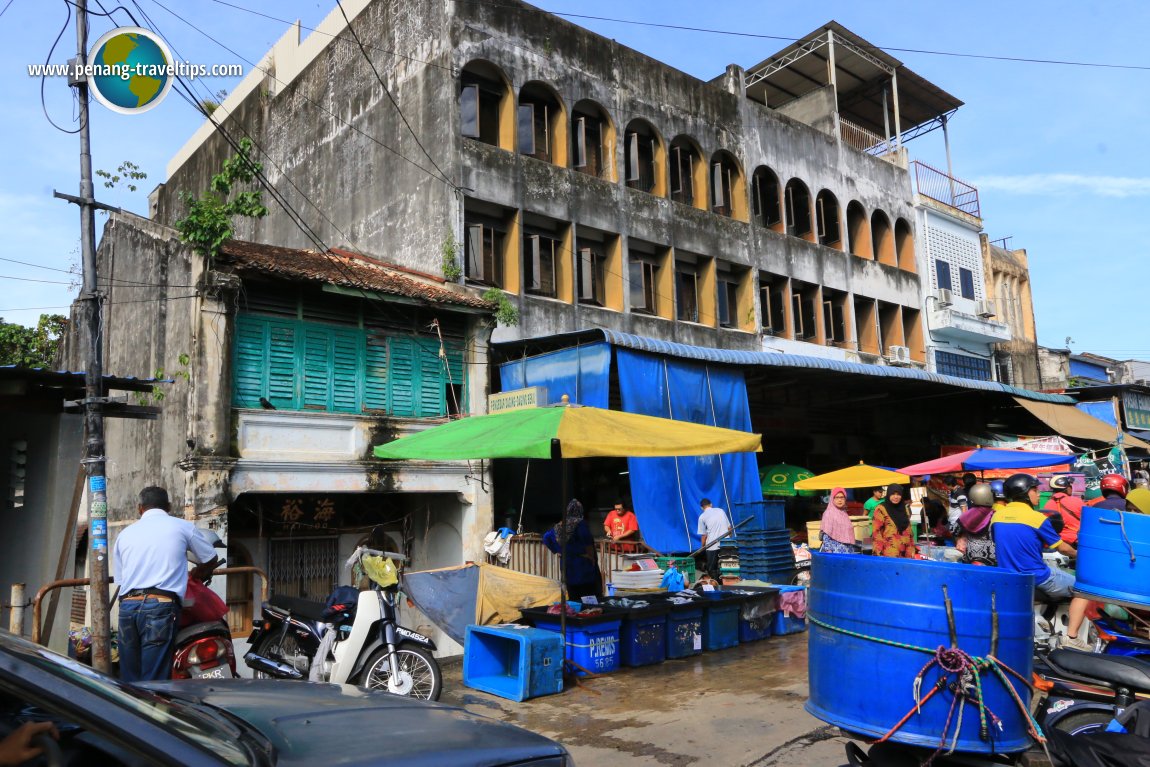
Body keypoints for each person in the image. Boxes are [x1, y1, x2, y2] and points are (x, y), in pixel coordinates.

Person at [114, 486, 218, 683]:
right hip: (160, 606)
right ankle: (152, 713)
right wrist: (197, 573)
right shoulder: (182, 526)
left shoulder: (125, 534)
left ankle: (129, 711)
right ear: (169, 506)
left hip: (127, 606)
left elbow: (120, 580)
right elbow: (210, 557)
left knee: (129, 674)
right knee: (154, 677)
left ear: (140, 508)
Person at [991, 473, 1091, 650]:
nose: (1038, 494)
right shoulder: (1037, 518)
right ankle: (1072, 638)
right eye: (1035, 490)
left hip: (1009, 578)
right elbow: (1062, 548)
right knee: (1084, 590)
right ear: (1024, 493)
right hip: (1038, 577)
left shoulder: (996, 517)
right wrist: (1080, 555)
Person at [542, 498, 602, 601]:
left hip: (566, 564)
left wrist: (557, 550)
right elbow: (587, 540)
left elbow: (546, 537)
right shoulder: (580, 524)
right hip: (582, 564)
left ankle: (575, 613)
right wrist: (591, 557)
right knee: (588, 595)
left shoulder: (559, 525)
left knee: (573, 594)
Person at [955, 482, 996, 565]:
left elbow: (954, 530)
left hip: (969, 557)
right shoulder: (995, 515)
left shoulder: (965, 515)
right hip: (991, 559)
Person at [872, 484, 917, 558]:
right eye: (893, 494)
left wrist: (912, 550)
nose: (896, 497)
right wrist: (878, 554)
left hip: (907, 554)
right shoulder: (881, 509)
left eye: (898, 494)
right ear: (888, 494)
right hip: (889, 554)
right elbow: (876, 533)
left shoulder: (904, 509)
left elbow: (909, 531)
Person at [1042, 475, 1086, 546]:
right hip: (1076, 541)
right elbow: (1088, 520)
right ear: (1067, 488)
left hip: (1057, 542)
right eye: (1070, 485)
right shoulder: (1077, 501)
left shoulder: (1047, 505)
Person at [696, 498, 731, 579]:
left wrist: (702, 547)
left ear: (702, 508)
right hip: (726, 543)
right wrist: (729, 540)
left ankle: (716, 584)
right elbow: (729, 529)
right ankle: (727, 582)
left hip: (712, 546)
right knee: (727, 565)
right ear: (711, 504)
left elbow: (704, 536)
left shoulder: (702, 517)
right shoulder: (721, 511)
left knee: (712, 568)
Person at [819, 487, 859, 554]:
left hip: (847, 551)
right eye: (837, 497)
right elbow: (826, 535)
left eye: (842, 497)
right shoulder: (829, 513)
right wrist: (829, 552)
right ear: (832, 499)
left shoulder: (844, 513)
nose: (840, 500)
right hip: (835, 552)